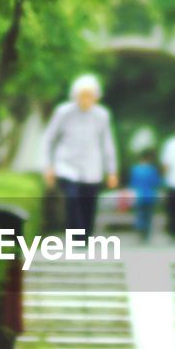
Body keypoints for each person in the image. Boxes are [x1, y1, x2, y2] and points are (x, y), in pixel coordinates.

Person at [41, 74, 119, 237]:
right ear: (74, 96)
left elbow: (107, 143)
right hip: (67, 165)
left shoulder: (102, 115)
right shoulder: (63, 112)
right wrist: (48, 166)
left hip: (92, 167)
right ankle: (75, 236)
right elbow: (49, 139)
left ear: (96, 97)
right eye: (82, 96)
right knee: (73, 199)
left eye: (89, 96)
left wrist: (111, 171)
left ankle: (85, 237)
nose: (85, 100)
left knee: (88, 203)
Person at [129, 149, 162, 243]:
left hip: (139, 195)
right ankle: (146, 233)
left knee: (140, 215)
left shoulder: (135, 169)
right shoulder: (152, 170)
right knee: (148, 216)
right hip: (150, 195)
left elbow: (133, 183)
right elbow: (157, 182)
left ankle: (140, 231)